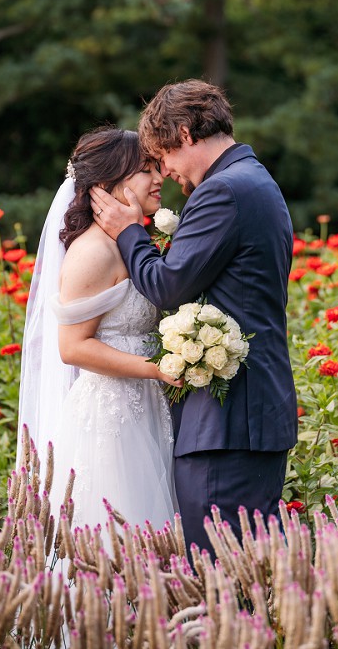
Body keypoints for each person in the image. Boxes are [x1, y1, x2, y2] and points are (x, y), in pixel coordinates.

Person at [89, 80, 298, 553]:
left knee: (220, 576)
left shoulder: (223, 191)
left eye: (163, 157)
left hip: (228, 424)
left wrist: (128, 232)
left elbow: (167, 285)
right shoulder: (254, 179)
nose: (167, 173)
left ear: (184, 134)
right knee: (251, 572)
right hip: (251, 414)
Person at [17, 126, 180, 532]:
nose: (159, 178)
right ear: (109, 184)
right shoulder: (91, 251)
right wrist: (156, 369)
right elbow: (72, 348)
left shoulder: (130, 242)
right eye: (147, 169)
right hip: (113, 417)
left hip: (147, 407)